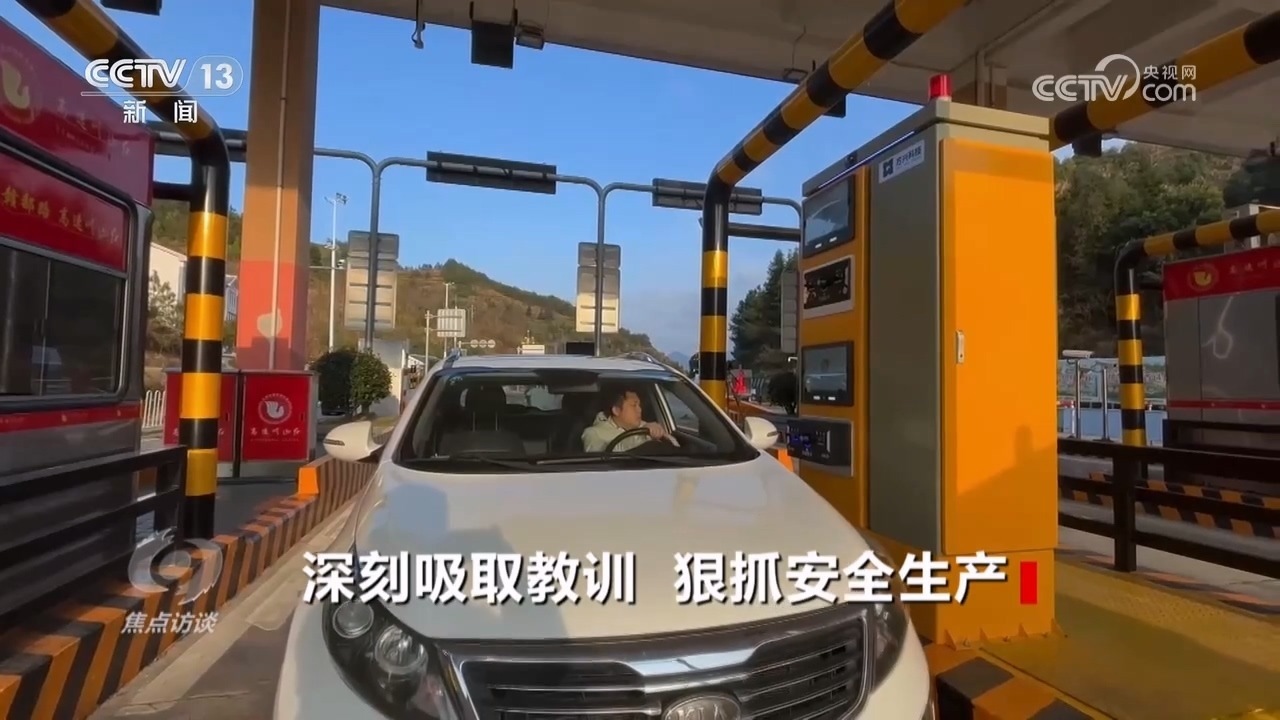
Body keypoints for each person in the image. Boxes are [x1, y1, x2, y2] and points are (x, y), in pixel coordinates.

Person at [581, 387, 671, 452]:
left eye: (639, 405)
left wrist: (660, 432)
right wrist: (643, 437)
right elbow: (603, 455)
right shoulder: (593, 433)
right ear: (616, 410)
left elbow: (673, 446)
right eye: (634, 405)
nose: (639, 410)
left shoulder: (644, 425)